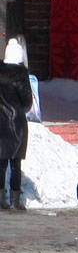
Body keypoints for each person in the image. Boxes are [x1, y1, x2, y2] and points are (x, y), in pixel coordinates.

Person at [0, 38, 33, 210]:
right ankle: (15, 199)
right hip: (17, 123)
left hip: (0, 122)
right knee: (16, 162)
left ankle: (1, 199)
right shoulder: (20, 75)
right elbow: (27, 101)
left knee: (1, 161)